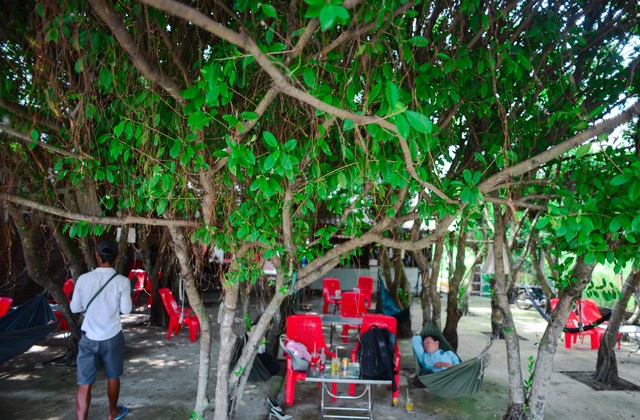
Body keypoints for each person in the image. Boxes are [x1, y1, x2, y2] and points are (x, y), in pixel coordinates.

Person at [70, 240, 132, 420]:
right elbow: (126, 310)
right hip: (112, 337)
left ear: (97, 256)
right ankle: (112, 412)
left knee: (84, 383)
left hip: (89, 337)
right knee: (113, 376)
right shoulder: (122, 282)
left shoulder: (83, 279)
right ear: (117, 257)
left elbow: (75, 308)